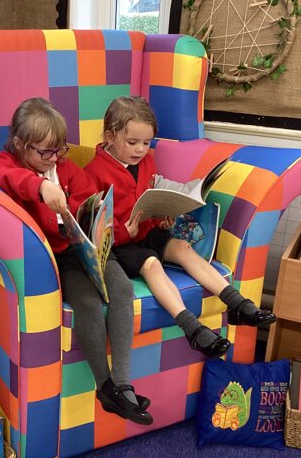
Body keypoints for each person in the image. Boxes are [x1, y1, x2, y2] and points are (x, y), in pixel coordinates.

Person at [0, 97, 153, 425]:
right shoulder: (10, 163)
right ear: (20, 144)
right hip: (61, 258)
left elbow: (88, 195)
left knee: (122, 290)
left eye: (59, 150)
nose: (54, 158)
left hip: (89, 247)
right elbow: (1, 174)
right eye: (45, 152)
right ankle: (105, 386)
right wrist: (41, 187)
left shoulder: (63, 166)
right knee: (87, 303)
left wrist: (81, 207)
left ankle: (122, 385)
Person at [85, 96, 276, 359]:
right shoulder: (93, 172)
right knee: (152, 264)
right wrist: (124, 232)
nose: (140, 150)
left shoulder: (146, 162)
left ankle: (238, 304)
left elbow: (147, 197)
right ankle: (192, 328)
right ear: (110, 137)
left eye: (146, 143)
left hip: (146, 232)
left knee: (182, 247)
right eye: (132, 142)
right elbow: (94, 227)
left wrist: (163, 217)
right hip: (121, 245)